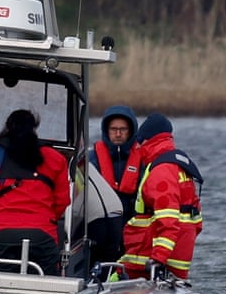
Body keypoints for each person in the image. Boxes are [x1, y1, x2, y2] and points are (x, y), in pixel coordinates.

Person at [0, 109, 71, 276]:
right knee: (47, 286)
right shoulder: (56, 158)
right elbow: (61, 202)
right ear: (34, 129)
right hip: (42, 235)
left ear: (7, 128)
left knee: (2, 284)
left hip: (2, 234)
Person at [118, 113, 203, 281]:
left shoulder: (161, 172)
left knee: (110, 278)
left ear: (146, 140)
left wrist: (158, 259)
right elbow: (196, 221)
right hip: (171, 261)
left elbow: (168, 222)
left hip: (149, 262)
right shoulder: (178, 167)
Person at [87, 105, 141, 262]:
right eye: (114, 129)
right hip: (101, 231)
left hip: (131, 231)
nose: (118, 134)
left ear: (131, 131)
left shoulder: (143, 160)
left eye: (123, 129)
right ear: (106, 130)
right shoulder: (92, 159)